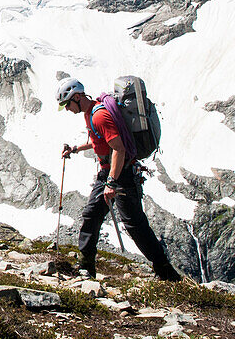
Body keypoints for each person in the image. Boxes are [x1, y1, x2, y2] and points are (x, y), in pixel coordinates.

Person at [57, 77, 181, 282]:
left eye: (67, 104)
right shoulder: (89, 114)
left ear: (77, 97)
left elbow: (119, 148)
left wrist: (112, 182)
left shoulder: (99, 116)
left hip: (121, 174)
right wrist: (76, 149)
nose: (67, 109)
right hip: (109, 172)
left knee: (134, 223)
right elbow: (99, 141)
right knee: (92, 214)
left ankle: (166, 272)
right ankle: (86, 267)